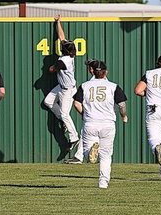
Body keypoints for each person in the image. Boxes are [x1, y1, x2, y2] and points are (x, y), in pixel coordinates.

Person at [73, 60, 128, 188]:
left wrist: (83, 114)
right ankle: (103, 182)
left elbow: (76, 103)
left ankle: (91, 153)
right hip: (108, 124)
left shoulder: (84, 86)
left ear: (92, 71)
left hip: (90, 122)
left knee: (87, 154)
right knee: (106, 155)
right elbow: (122, 105)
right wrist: (124, 116)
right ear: (105, 73)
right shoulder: (113, 86)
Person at [42, 15, 80, 153]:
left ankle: (74, 137)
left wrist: (51, 66)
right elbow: (61, 37)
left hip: (68, 90)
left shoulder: (65, 61)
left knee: (65, 114)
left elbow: (51, 69)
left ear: (65, 50)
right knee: (48, 101)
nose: (62, 45)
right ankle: (64, 122)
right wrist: (58, 23)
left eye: (63, 46)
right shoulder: (68, 55)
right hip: (61, 86)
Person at [62, 58, 99, 165]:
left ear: (91, 69)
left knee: (85, 134)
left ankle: (80, 157)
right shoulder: (105, 81)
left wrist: (83, 113)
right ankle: (98, 156)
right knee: (101, 136)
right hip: (105, 115)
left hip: (91, 113)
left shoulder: (89, 83)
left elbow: (77, 103)